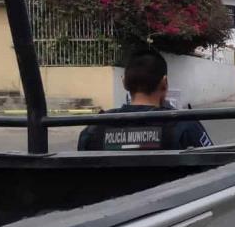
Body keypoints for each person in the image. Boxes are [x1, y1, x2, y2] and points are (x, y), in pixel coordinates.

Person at [78, 50, 213, 151]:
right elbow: (215, 171)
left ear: (124, 83)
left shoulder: (92, 130)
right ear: (164, 83)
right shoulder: (185, 126)